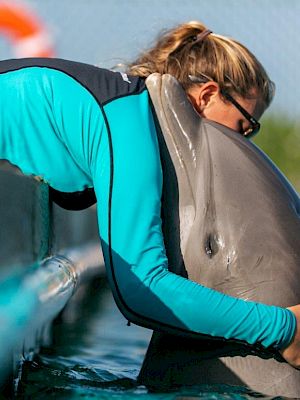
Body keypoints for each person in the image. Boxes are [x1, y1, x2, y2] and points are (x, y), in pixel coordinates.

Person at [0, 21, 299, 369]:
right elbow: (139, 290)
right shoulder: (130, 119)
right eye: (244, 128)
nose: (242, 146)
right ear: (207, 95)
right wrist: (285, 330)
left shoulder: (122, 107)